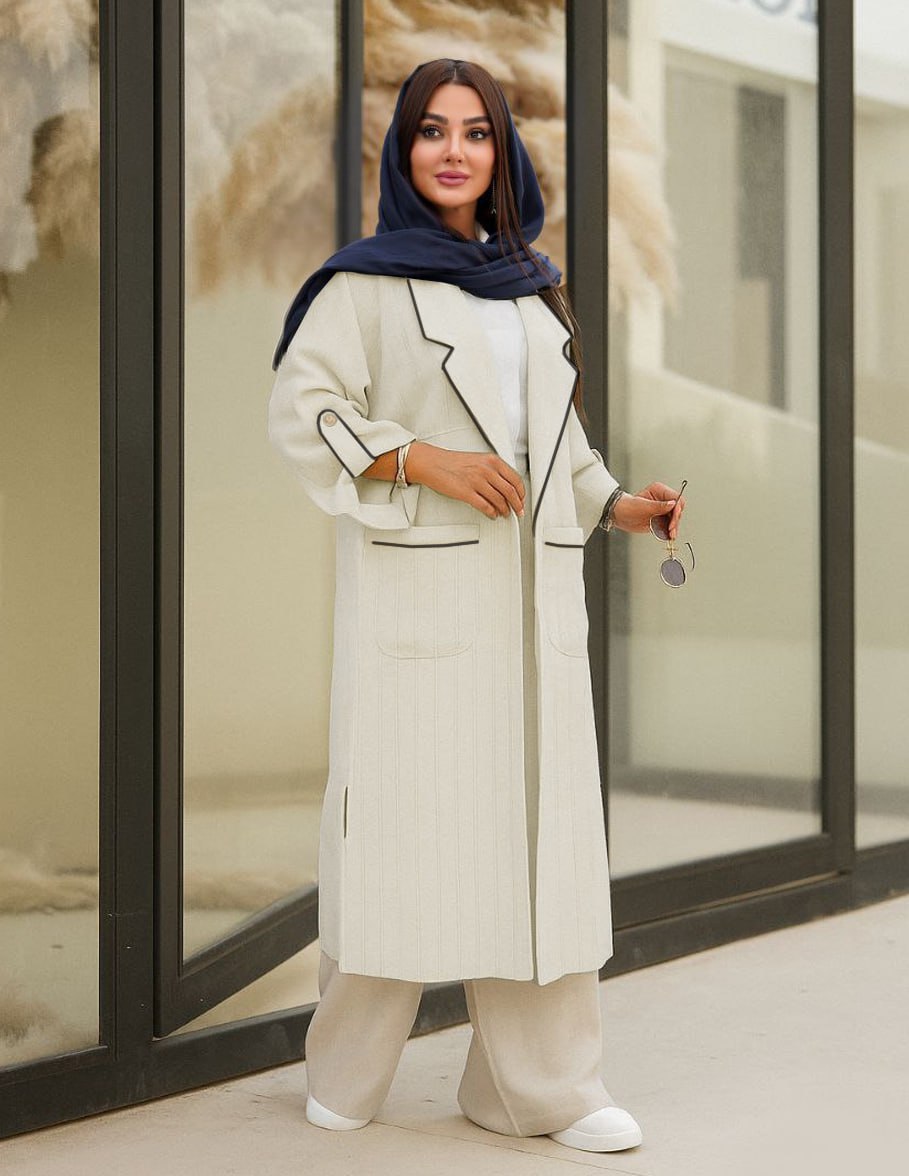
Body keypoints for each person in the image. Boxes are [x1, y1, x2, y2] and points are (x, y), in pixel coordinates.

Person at [267, 58, 686, 1154]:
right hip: (421, 607)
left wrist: (620, 507)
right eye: (430, 131)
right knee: (402, 834)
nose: (452, 151)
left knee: (538, 840)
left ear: (503, 152)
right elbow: (304, 411)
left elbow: (557, 448)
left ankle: (538, 1090)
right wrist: (422, 459)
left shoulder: (530, 287)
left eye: (475, 132)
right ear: (402, 151)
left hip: (533, 617)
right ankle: (347, 1069)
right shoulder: (359, 287)